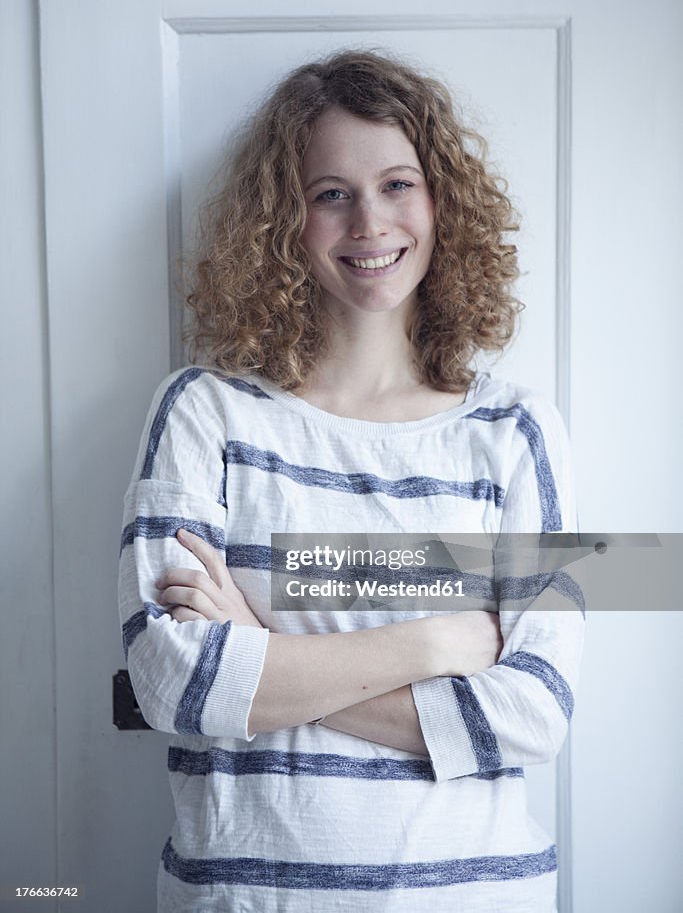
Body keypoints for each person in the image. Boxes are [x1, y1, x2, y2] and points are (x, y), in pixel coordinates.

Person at [118, 49, 584, 912]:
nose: (369, 222)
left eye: (397, 184)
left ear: (441, 204)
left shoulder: (514, 432)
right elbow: (171, 685)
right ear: (285, 220)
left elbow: (534, 715)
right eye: (330, 193)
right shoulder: (204, 412)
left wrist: (259, 652)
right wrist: (433, 645)